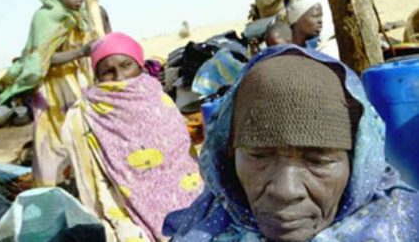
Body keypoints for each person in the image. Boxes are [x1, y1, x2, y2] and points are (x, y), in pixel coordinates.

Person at [163, 45, 419, 241]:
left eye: (318, 160)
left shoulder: (404, 226)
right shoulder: (202, 227)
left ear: (358, 162)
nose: (286, 190)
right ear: (229, 155)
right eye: (259, 157)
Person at [62, 32, 203, 242]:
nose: (119, 77)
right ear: (98, 78)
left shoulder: (159, 99)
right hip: (132, 214)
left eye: (126, 65)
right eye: (108, 72)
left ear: (139, 64)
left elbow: (183, 158)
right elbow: (97, 178)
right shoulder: (87, 115)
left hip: (191, 200)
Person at [0, 0, 99, 187]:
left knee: (82, 135)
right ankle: (53, 188)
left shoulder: (79, 16)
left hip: (77, 85)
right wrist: (80, 52)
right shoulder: (45, 18)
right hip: (53, 91)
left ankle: (82, 184)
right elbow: (42, 58)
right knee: (53, 142)